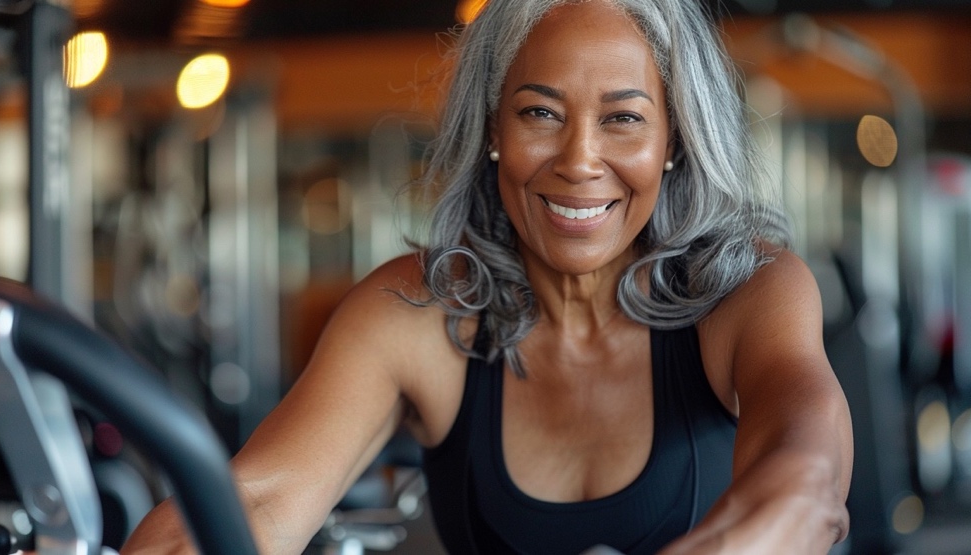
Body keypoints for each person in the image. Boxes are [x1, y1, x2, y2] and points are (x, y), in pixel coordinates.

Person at [122, 0, 853, 553]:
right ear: (495, 131)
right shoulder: (414, 314)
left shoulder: (749, 291)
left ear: (673, 140)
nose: (578, 159)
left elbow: (806, 482)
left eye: (623, 119)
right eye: (540, 112)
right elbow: (251, 504)